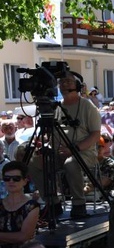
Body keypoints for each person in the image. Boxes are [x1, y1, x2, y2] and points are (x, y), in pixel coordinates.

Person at [28, 73, 101, 219]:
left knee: (71, 163)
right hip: (58, 152)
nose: (64, 85)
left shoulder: (87, 106)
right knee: (33, 163)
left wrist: (74, 149)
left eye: (68, 81)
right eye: (61, 82)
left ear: (78, 86)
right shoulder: (56, 107)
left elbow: (95, 135)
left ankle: (78, 205)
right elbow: (51, 133)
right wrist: (44, 143)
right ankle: (53, 204)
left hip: (83, 153)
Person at [0, 162, 40, 248]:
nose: (11, 181)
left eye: (16, 178)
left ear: (24, 181)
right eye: (7, 178)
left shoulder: (31, 206)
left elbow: (24, 236)